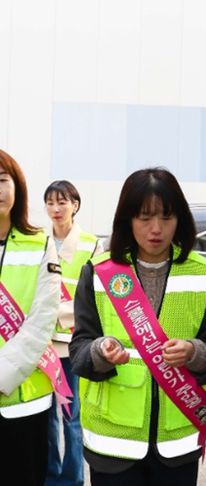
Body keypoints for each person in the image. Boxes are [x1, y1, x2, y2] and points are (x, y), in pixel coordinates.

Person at [69, 168, 206, 486]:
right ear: (127, 220)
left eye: (166, 217)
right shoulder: (98, 273)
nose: (156, 229)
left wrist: (194, 352)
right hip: (113, 442)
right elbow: (79, 349)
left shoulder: (205, 274)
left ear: (180, 220)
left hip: (177, 443)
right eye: (144, 217)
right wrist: (100, 351)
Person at [0, 149, 61, 486]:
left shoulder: (40, 243)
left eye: (2, 180)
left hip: (25, 402)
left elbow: (42, 321)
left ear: (17, 186)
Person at [44, 180, 103, 486]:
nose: (56, 209)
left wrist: (56, 313)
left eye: (62, 202)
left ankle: (73, 479)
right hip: (41, 345)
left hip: (72, 344)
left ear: (75, 205)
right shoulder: (39, 241)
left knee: (72, 417)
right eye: (50, 203)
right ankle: (50, 477)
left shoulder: (91, 244)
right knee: (46, 417)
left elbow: (96, 296)